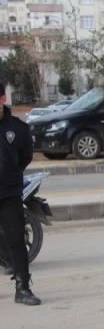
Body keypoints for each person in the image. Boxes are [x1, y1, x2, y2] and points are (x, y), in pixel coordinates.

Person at [0, 81, 41, 306]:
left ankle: (23, 288)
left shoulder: (17, 128)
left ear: (2, 99)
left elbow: (25, 157)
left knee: (16, 239)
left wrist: (9, 174)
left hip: (8, 193)